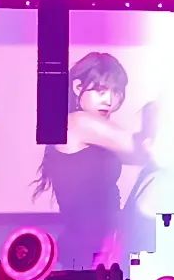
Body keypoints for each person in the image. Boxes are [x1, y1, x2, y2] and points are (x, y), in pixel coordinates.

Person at [33, 52, 153, 269]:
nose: (110, 100)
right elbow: (140, 150)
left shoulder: (81, 127)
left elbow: (142, 155)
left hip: (102, 247)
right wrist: (154, 114)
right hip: (88, 252)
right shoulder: (77, 122)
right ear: (78, 87)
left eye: (116, 92)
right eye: (101, 91)